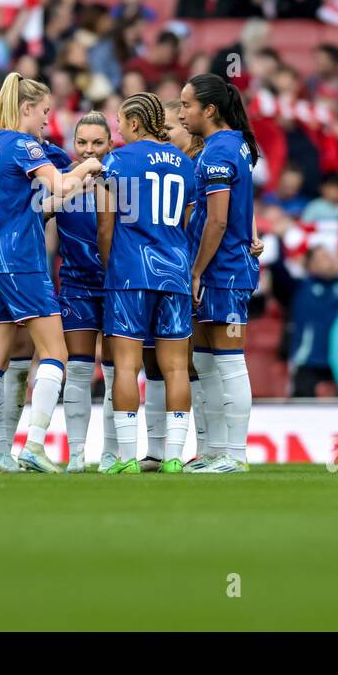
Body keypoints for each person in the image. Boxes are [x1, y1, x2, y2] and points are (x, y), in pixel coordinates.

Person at [0, 72, 101, 474]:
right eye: (43, 112)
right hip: (19, 261)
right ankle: (34, 445)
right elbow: (57, 181)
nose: (46, 121)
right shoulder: (23, 144)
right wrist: (88, 166)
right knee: (55, 352)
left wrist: (75, 184)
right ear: (26, 109)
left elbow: (48, 195)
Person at [95, 94, 195, 474]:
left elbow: (106, 223)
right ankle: (173, 456)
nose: (117, 128)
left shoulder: (118, 160)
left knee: (125, 366)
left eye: (120, 121)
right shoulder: (186, 164)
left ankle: (124, 459)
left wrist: (111, 264)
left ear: (135, 123)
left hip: (129, 271)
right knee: (175, 369)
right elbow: (185, 221)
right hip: (175, 270)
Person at [179, 74, 261, 473]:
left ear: (208, 110)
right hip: (223, 267)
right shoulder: (235, 146)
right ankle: (214, 449)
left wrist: (195, 272)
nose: (181, 114)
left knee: (229, 361)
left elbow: (217, 221)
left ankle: (236, 454)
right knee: (206, 362)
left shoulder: (216, 154)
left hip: (222, 271)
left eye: (186, 106)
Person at [52, 112, 112, 472]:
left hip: (119, 284)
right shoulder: (59, 179)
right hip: (75, 283)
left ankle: (112, 453)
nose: (89, 151)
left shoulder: (122, 179)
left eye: (97, 143)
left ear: (110, 144)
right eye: (82, 143)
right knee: (77, 369)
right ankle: (76, 455)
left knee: (118, 371)